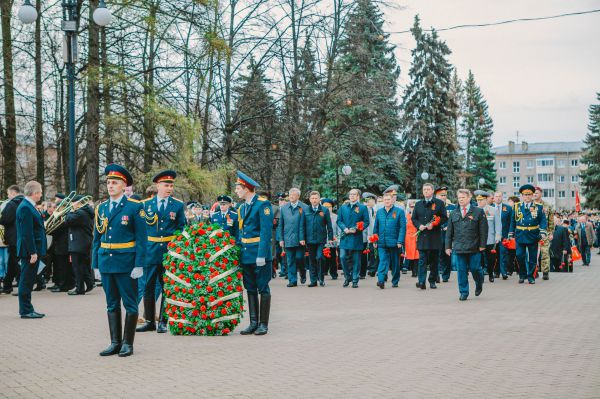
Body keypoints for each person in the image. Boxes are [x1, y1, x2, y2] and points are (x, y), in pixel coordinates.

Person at [92, 164, 147, 357]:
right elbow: (96, 239)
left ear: (124, 186)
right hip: (106, 262)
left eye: (115, 182)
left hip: (126, 264)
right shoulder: (102, 208)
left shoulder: (134, 207)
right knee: (111, 304)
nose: (110, 186)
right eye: (108, 182)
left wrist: (139, 264)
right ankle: (115, 342)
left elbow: (141, 238)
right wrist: (95, 264)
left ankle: (128, 343)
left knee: (130, 304)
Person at [137, 170, 186, 334]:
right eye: (166, 185)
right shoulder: (145, 205)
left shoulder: (178, 205)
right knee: (148, 287)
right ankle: (150, 321)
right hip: (150, 251)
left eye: (171, 185)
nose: (169, 188)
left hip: (168, 251)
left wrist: (178, 249)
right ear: (158, 186)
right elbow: (140, 229)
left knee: (167, 287)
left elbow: (181, 228)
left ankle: (164, 321)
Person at [235, 171, 273, 335]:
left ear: (246, 188)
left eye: (238, 188)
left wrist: (262, 255)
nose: (236, 191)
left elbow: (266, 232)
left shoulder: (262, 204)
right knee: (250, 288)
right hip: (246, 254)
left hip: (258, 254)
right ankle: (253, 322)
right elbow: (240, 232)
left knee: (263, 288)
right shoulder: (242, 207)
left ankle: (263, 324)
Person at [445, 189, 487, 301]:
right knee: (461, 271)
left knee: (475, 269)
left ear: (469, 198)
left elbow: (483, 230)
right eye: (459, 198)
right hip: (459, 247)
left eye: (463, 197)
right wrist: (448, 247)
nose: (461, 199)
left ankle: (479, 282)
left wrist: (483, 245)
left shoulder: (478, 211)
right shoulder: (454, 213)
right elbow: (449, 232)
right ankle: (464, 292)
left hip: (474, 246)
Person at [16, 181, 47, 318]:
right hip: (30, 251)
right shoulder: (25, 208)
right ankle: (26, 310)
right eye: (40, 192)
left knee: (28, 279)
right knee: (26, 280)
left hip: (33, 249)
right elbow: (26, 233)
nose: (41, 195)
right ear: (34, 193)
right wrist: (32, 252)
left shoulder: (29, 206)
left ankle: (28, 308)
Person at [508, 184, 547, 284]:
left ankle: (531, 276)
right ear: (522, 195)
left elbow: (543, 220)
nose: (527, 197)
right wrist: (511, 232)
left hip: (533, 235)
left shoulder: (538, 207)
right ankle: (522, 274)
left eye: (529, 194)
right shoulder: (517, 206)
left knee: (533, 258)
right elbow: (513, 220)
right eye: (525, 195)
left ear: (532, 195)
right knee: (519, 255)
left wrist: (542, 232)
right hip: (520, 234)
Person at [412, 183, 448, 290]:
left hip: (434, 237)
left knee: (434, 261)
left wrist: (435, 223)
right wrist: (419, 225)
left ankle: (432, 281)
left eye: (428, 189)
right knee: (422, 260)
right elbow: (414, 219)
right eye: (424, 189)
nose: (426, 191)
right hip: (422, 237)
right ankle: (421, 281)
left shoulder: (439, 203)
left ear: (432, 191)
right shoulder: (418, 204)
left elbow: (444, 217)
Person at [337, 188, 370, 288]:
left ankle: (355, 280)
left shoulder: (363, 208)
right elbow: (339, 221)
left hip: (356, 237)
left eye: (354, 194)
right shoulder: (343, 207)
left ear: (358, 196)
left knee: (356, 260)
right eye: (350, 194)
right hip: (345, 237)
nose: (351, 196)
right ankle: (348, 277)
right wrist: (345, 229)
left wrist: (356, 228)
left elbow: (366, 221)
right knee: (342, 257)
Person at [373, 193, 406, 289]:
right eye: (385, 199)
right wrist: (375, 240)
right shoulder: (379, 212)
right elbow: (376, 227)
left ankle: (395, 281)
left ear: (393, 200)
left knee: (395, 263)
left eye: (388, 199)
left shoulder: (399, 212)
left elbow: (402, 228)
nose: (386, 201)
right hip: (381, 242)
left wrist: (400, 241)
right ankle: (381, 280)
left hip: (395, 242)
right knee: (383, 260)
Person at [64, 195, 95, 295]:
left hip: (78, 243)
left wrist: (69, 211)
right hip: (82, 242)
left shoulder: (80, 213)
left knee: (77, 267)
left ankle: (79, 288)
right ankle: (89, 283)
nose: (71, 205)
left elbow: (68, 220)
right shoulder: (85, 212)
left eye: (73, 203)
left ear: (78, 203)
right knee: (82, 266)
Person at [277, 188, 306, 287]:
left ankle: (303, 273)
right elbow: (281, 225)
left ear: (298, 196)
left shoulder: (304, 207)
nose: (291, 196)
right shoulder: (284, 208)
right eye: (290, 194)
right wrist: (281, 239)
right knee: (290, 260)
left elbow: (306, 224)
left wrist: (304, 238)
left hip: (300, 238)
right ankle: (292, 280)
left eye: (293, 194)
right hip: (288, 238)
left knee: (299, 258)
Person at [304, 191, 334, 287]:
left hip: (321, 239)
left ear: (319, 199)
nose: (314, 200)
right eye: (312, 198)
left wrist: (330, 238)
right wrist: (302, 238)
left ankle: (321, 278)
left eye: (316, 198)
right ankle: (313, 281)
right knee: (312, 260)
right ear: (310, 200)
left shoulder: (324, 210)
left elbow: (329, 225)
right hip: (309, 239)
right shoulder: (305, 210)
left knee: (319, 257)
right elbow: (302, 226)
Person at [0, 185, 24, 295]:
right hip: (21, 236)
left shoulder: (11, 204)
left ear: (14, 193)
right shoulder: (25, 202)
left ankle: (21, 287)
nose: (8, 196)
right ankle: (7, 285)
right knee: (12, 262)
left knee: (16, 262)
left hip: (13, 237)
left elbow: (5, 219)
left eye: (9, 194)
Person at [48, 193, 74, 293]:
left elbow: (59, 229)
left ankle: (64, 285)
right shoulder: (60, 215)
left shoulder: (64, 216)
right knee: (61, 266)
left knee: (63, 266)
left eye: (56, 206)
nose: (55, 208)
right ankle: (61, 283)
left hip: (63, 244)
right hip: (59, 243)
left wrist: (50, 229)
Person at [475, 190, 501, 283]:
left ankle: (490, 273)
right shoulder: (474, 210)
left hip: (490, 239)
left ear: (486, 200)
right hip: (477, 240)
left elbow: (498, 224)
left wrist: (498, 237)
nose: (479, 202)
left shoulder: (493, 210)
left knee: (491, 259)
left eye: (481, 200)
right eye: (478, 200)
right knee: (479, 259)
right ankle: (481, 275)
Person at [435, 186, 455, 282]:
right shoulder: (433, 207)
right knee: (437, 255)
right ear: (436, 196)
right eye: (441, 195)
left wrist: (450, 228)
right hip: (437, 234)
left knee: (447, 255)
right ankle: (437, 273)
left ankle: (446, 275)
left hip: (448, 235)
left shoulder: (452, 207)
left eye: (445, 195)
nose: (443, 197)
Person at [534, 186, 554, 280]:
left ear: (541, 194)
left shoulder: (547, 205)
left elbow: (550, 220)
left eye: (537, 193)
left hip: (544, 233)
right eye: (533, 193)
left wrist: (550, 233)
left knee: (545, 252)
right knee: (533, 253)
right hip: (533, 233)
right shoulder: (530, 205)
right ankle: (534, 271)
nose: (535, 194)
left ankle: (545, 272)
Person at [494, 191, 512, 279]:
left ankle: (504, 272)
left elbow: (511, 222)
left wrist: (510, 234)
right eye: (496, 196)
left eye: (499, 196)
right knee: (494, 255)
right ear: (493, 198)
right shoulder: (490, 208)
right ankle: (496, 272)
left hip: (504, 235)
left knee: (503, 254)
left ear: (502, 197)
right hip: (493, 236)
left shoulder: (508, 208)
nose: (498, 198)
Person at [322, 199, 339, 280]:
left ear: (332, 207)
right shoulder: (320, 215)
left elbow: (338, 229)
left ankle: (333, 273)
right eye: (325, 206)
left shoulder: (336, 217)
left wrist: (337, 239)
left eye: (329, 207)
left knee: (332, 257)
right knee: (322, 257)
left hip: (332, 239)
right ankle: (324, 271)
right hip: (322, 240)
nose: (327, 208)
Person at [362, 192, 377, 278]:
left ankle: (372, 270)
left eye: (371, 200)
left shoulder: (376, 210)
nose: (369, 202)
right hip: (364, 234)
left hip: (373, 234)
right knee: (364, 253)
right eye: (368, 201)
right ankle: (364, 270)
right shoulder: (364, 210)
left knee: (373, 252)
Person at [404, 200, 419, 277]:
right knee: (410, 254)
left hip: (417, 236)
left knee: (417, 254)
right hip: (409, 237)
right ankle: (411, 270)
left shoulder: (419, 216)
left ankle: (415, 272)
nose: (413, 208)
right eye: (411, 206)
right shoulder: (407, 216)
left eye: (414, 206)